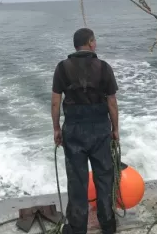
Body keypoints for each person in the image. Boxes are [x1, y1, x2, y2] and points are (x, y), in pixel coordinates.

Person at [51, 28, 119, 234]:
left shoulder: (62, 68)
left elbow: (55, 103)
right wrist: (115, 129)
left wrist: (56, 128)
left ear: (75, 46)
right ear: (90, 43)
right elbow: (112, 103)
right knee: (104, 178)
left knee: (77, 181)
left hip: (73, 130)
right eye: (94, 40)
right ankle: (108, 225)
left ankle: (77, 228)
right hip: (100, 129)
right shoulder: (104, 68)